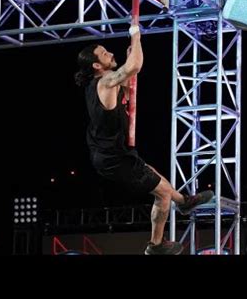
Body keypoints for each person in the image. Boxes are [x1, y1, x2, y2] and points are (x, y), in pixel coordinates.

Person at [74, 25, 214, 255]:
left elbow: (129, 81)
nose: (110, 53)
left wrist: (130, 57)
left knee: (154, 174)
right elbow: (135, 67)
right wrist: (136, 36)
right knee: (162, 194)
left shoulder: (104, 82)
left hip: (112, 153)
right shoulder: (105, 81)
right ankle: (155, 245)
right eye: (105, 53)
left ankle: (184, 202)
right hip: (113, 158)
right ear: (97, 66)